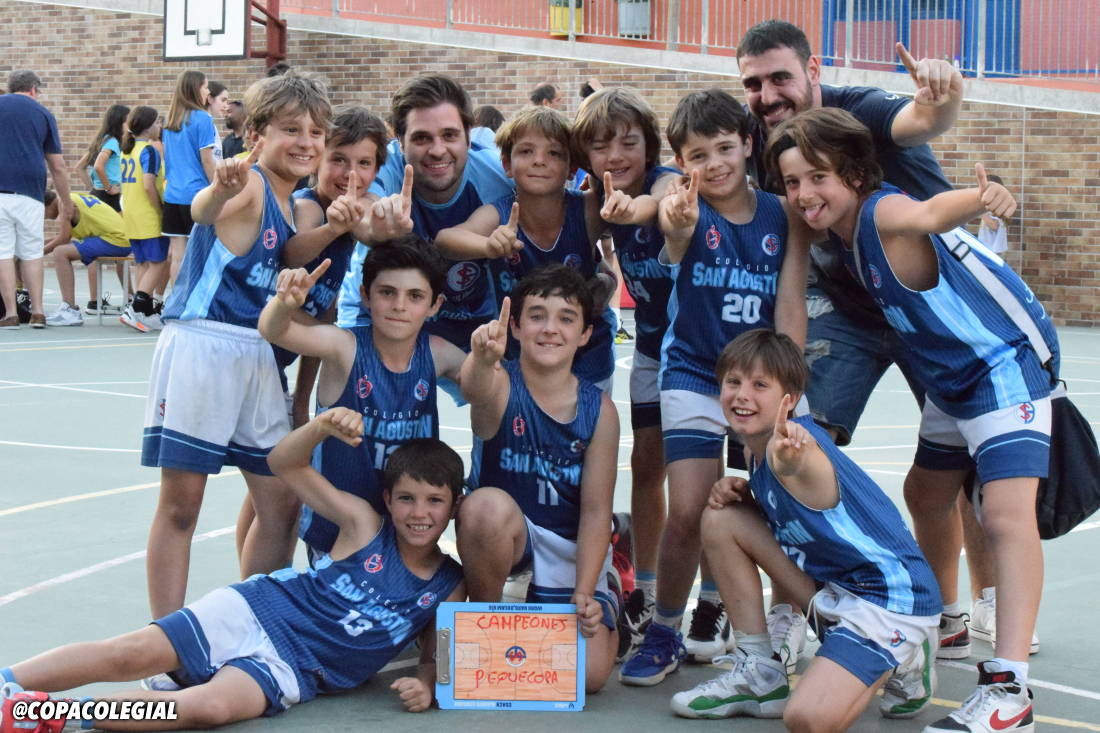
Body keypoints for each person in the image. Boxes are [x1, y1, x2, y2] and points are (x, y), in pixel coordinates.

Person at [767, 107, 1055, 733]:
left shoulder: (878, 213)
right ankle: (946, 622)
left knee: (1006, 517)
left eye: (817, 177)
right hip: (951, 378)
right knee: (925, 494)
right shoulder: (840, 233)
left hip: (1000, 367)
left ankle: (1010, 692)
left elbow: (925, 214)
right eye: (792, 182)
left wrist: (980, 198)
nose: (804, 193)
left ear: (853, 175)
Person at [734, 18, 1004, 663]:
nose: (768, 95)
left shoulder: (858, 111)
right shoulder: (761, 140)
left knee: (972, 458)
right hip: (849, 310)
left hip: (926, 303)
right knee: (794, 435)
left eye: (780, 78)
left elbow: (920, 120)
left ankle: (983, 602)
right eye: (753, 83)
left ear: (814, 70)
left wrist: (943, 96)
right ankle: (790, 609)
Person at [0, 432, 466, 730]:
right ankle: (8, 682)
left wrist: (426, 684)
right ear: (387, 498)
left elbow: (436, 655)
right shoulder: (365, 525)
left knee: (210, 708)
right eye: (406, 498)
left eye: (434, 500)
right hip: (256, 610)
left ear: (454, 506)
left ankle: (45, 713)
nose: (419, 512)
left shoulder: (449, 584)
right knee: (130, 654)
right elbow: (285, 463)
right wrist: (321, 427)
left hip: (295, 669)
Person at [619, 88, 811, 686]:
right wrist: (676, 225)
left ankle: (784, 621)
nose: (715, 163)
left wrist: (788, 389)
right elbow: (674, 235)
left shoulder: (783, 213)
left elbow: (791, 301)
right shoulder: (685, 207)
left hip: (765, 377)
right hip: (695, 373)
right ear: (681, 163)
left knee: (784, 504)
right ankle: (664, 631)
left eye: (725, 147)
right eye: (697, 155)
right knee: (689, 511)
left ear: (748, 144)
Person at [671, 329, 941, 729]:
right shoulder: (753, 450)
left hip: (889, 599)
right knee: (722, 517)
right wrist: (748, 498)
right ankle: (759, 672)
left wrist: (791, 459)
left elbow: (796, 466)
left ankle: (906, 657)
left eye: (760, 385)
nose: (742, 395)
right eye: (734, 381)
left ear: (791, 399)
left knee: (807, 719)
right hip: (837, 589)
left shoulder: (792, 448)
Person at [141, 72, 332, 622]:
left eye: (315, 132)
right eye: (291, 129)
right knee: (182, 506)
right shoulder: (248, 185)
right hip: (204, 345)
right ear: (256, 135)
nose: (305, 142)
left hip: (257, 356)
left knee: (282, 503)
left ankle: (251, 624)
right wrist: (219, 189)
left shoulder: (295, 204)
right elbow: (204, 210)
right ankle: (165, 642)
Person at [457, 265, 621, 693]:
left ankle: (612, 577)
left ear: (585, 334)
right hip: (513, 533)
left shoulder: (600, 410)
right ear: (514, 326)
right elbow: (474, 389)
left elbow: (595, 511)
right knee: (481, 507)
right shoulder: (499, 381)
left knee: (588, 678)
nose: (550, 328)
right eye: (536, 316)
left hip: (569, 545)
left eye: (566, 318)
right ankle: (485, 619)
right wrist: (481, 358)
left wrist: (585, 591)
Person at [259, 236, 466, 563]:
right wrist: (284, 304)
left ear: (434, 304)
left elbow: (486, 387)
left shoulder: (437, 353)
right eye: (387, 292)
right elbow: (274, 331)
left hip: (409, 531)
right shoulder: (343, 347)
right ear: (365, 295)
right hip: (337, 534)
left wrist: (487, 359)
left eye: (415, 296)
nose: (399, 305)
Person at [571, 85, 681, 658]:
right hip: (651, 348)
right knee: (646, 466)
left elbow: (657, 205)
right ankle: (647, 586)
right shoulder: (594, 195)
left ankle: (711, 598)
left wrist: (628, 210)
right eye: (600, 146)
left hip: (703, 349)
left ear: (649, 145)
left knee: (700, 478)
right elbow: (577, 228)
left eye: (628, 142)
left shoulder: (665, 183)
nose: (615, 155)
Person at [435, 104, 618, 393]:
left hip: (588, 354)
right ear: (507, 165)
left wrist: (609, 278)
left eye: (554, 153)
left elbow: (631, 221)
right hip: (521, 356)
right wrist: (487, 246)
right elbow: (445, 239)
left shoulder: (588, 210)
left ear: (572, 168)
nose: (539, 161)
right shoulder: (498, 215)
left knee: (587, 418)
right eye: (526, 151)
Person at [337, 74, 513, 352]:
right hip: (377, 321)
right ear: (400, 143)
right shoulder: (385, 166)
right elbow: (363, 210)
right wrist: (376, 230)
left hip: (472, 328)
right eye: (421, 138)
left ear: (469, 137)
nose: (437, 150)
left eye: (449, 135)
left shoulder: (500, 176)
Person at [275, 103, 391, 426]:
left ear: (376, 172)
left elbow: (325, 314)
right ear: (317, 161)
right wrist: (332, 229)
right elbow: (291, 254)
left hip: (275, 363)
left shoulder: (352, 220)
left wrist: (302, 401)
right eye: (338, 159)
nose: (350, 174)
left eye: (364, 163)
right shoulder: (308, 206)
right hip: (250, 353)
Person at [0, 69, 71, 330]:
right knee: (31, 253)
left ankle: (10, 313)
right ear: (33, 89)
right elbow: (57, 166)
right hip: (31, 193)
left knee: (3, 253)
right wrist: (66, 201)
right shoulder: (43, 114)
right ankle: (38, 312)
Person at [42, 190, 131, 327]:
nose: (44, 218)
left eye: (42, 213)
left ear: (45, 206)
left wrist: (37, 253)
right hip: (121, 238)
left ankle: (69, 310)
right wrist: (40, 244)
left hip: (115, 240)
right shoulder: (72, 197)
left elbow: (64, 239)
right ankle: (69, 309)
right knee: (62, 250)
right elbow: (63, 237)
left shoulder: (65, 204)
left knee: (60, 253)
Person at [119, 105, 170, 333]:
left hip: (131, 213)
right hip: (148, 214)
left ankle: (144, 312)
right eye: (157, 122)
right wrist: (161, 211)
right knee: (159, 263)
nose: (160, 126)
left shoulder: (127, 150)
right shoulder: (148, 151)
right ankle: (136, 307)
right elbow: (149, 186)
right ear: (148, 127)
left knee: (143, 263)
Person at [162, 69, 216, 285]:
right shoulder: (203, 119)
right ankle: (197, 300)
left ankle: (177, 299)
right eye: (205, 87)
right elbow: (207, 161)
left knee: (178, 255)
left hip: (172, 195)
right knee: (202, 255)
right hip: (197, 196)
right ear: (195, 89)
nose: (208, 92)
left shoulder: (170, 121)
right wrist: (219, 190)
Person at [76, 103, 130, 214]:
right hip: (109, 197)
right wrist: (108, 188)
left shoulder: (101, 141)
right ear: (118, 123)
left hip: (98, 194)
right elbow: (98, 166)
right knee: (122, 224)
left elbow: (79, 168)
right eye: (128, 122)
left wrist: (93, 189)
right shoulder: (112, 142)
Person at [206, 81, 229, 162]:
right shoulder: (205, 123)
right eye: (223, 100)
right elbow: (207, 161)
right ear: (210, 99)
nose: (226, 105)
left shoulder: (211, 125)